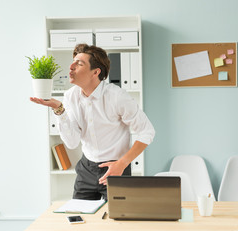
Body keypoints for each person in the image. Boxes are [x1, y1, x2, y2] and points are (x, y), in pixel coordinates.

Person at [30, 44, 155, 200]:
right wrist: (58, 109)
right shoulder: (70, 96)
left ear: (95, 72)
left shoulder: (117, 96)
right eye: (73, 61)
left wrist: (122, 163)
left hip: (115, 168)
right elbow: (72, 142)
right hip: (86, 168)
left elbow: (147, 131)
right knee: (80, 218)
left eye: (79, 63)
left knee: (117, 220)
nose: (71, 66)